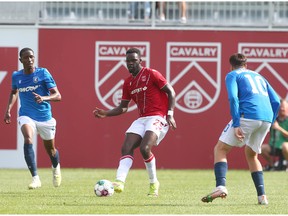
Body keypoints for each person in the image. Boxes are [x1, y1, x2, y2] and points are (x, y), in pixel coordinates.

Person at [93, 47, 177, 197]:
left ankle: (153, 183)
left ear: (140, 61)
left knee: (145, 148)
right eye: (128, 61)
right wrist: (106, 113)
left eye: (134, 60)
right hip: (142, 119)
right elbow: (123, 108)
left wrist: (170, 114)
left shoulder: (151, 74)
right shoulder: (128, 83)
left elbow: (171, 91)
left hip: (158, 116)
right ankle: (119, 182)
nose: (130, 63)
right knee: (126, 147)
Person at [201, 53, 280, 205]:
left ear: (231, 65)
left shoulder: (232, 75)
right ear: (246, 65)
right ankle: (262, 196)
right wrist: (271, 121)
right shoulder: (259, 76)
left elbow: (233, 98)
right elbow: (276, 100)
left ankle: (221, 187)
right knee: (252, 155)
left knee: (220, 149)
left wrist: (237, 123)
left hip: (248, 115)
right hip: (266, 118)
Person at [4, 47, 62, 189]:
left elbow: (58, 95)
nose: (29, 60)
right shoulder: (16, 76)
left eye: (31, 57)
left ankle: (56, 167)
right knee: (28, 138)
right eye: (26, 57)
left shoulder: (43, 73)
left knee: (51, 150)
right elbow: (13, 92)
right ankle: (35, 178)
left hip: (45, 117)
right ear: (20, 60)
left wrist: (44, 98)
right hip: (26, 114)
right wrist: (8, 110)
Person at [261, 99, 288, 171]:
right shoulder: (274, 120)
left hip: (286, 147)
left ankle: (287, 167)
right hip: (275, 146)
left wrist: (279, 128)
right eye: (281, 107)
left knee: (285, 146)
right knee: (261, 148)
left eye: (284, 107)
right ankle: (272, 166)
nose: (282, 108)